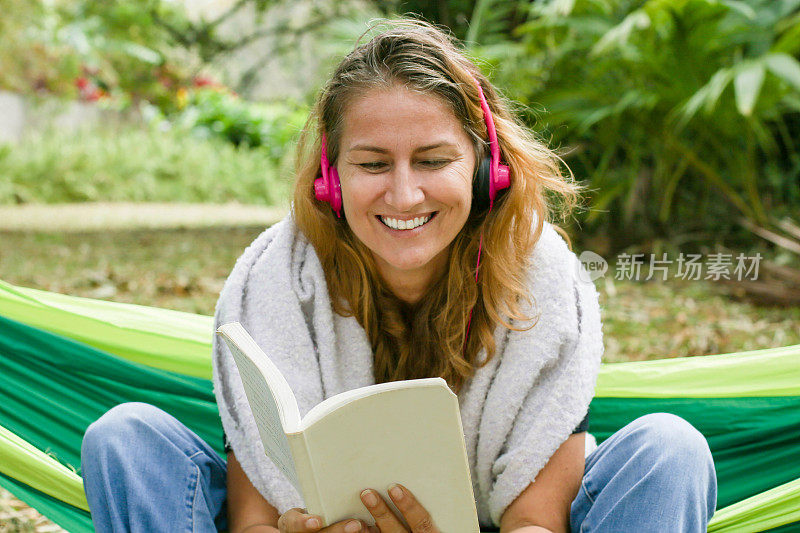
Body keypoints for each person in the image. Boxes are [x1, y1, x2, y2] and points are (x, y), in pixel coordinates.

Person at [80, 17, 717, 533]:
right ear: (331, 177)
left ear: (485, 166)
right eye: (373, 163)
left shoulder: (541, 275)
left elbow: (534, 522)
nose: (405, 195)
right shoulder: (274, 282)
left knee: (670, 450)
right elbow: (257, 517)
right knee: (126, 439)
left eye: (434, 159)